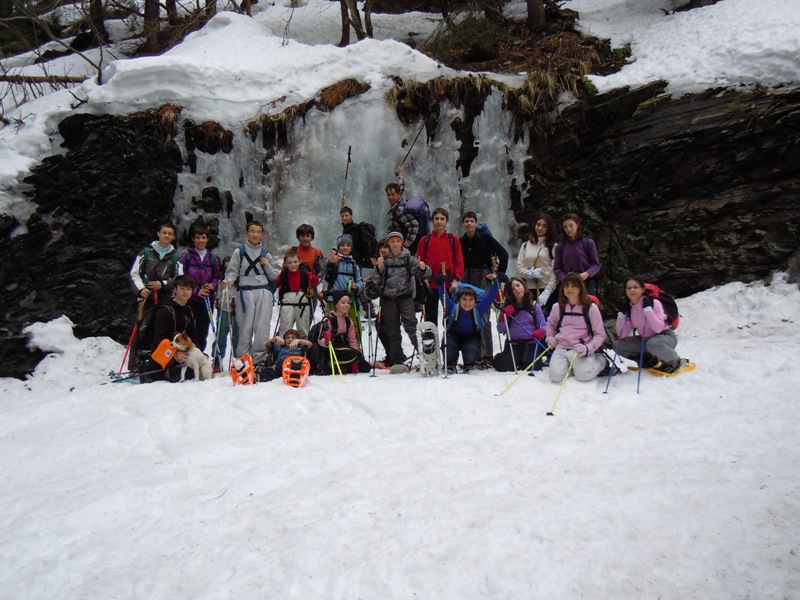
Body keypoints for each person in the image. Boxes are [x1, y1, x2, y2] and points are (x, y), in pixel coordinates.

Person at [371, 231, 432, 372]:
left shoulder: (408, 259)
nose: (395, 244)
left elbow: (426, 273)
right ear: (388, 244)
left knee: (411, 327)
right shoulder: (384, 259)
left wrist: (424, 267)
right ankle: (397, 359)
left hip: (405, 298)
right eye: (392, 241)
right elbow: (375, 280)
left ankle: (424, 356)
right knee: (392, 330)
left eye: (398, 241)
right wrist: (379, 267)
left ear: (402, 242)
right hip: (388, 299)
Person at [220, 221, 279, 363]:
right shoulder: (239, 252)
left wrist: (266, 265)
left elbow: (274, 277)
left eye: (258, 232)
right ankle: (243, 358)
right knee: (244, 326)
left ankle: (259, 359)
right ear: (246, 233)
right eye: (252, 231)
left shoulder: (266, 254)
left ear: (262, 234)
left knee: (262, 326)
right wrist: (227, 281)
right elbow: (232, 271)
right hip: (245, 293)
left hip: (263, 292)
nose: (255, 234)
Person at [128, 222, 183, 371]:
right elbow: (134, 274)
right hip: (146, 298)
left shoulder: (175, 257)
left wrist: (163, 284)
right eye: (164, 232)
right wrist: (141, 290)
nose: (166, 235)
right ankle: (134, 366)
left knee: (162, 330)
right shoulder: (146, 253)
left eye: (170, 233)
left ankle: (160, 363)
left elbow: (179, 279)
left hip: (165, 299)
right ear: (158, 233)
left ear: (173, 237)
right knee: (140, 329)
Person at [460, 211, 509, 367]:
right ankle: (472, 354)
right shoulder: (461, 241)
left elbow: (504, 253)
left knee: (484, 314)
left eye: (471, 221)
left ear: (476, 223)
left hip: (483, 274)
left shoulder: (485, 238)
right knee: (467, 313)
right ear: (463, 224)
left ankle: (487, 354)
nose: (469, 224)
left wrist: (499, 274)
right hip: (467, 275)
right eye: (466, 221)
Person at [545, 273, 607, 383]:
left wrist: (588, 348)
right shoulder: (557, 307)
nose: (569, 289)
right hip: (562, 347)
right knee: (555, 377)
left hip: (581, 349)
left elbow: (600, 334)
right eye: (566, 286)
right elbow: (551, 326)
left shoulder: (590, 308)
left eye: (573, 286)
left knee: (583, 376)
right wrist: (550, 337)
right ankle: (573, 366)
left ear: (581, 288)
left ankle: (601, 361)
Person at [139, 275, 198, 383]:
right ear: (175, 289)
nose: (185, 292)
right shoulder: (165, 310)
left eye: (189, 289)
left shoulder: (189, 310)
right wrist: (175, 354)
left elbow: (192, 336)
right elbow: (158, 338)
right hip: (161, 351)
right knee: (176, 375)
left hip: (180, 350)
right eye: (182, 288)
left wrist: (198, 353)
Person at [614, 277, 681, 372]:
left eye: (635, 287)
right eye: (628, 288)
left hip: (665, 337)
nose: (632, 290)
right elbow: (621, 334)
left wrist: (648, 310)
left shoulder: (654, 303)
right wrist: (621, 316)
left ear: (642, 289)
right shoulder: (630, 308)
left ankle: (674, 361)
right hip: (645, 340)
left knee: (652, 344)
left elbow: (658, 328)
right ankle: (649, 361)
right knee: (618, 345)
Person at [444, 276, 504, 374]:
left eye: (471, 299)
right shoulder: (453, 308)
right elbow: (444, 298)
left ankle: (469, 364)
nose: (467, 303)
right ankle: (450, 364)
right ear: (459, 300)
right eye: (464, 299)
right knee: (450, 346)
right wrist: (440, 284)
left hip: (471, 337)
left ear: (475, 301)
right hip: (454, 336)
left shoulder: (478, 309)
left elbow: (490, 297)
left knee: (471, 349)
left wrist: (498, 281)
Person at [416, 207, 464, 325]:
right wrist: (424, 279)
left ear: (446, 221)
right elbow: (419, 261)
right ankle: (431, 341)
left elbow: (459, 263)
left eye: (442, 219)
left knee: (450, 317)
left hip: (449, 285)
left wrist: (457, 279)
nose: (439, 221)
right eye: (436, 219)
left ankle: (449, 341)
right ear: (432, 221)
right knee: (430, 317)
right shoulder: (425, 240)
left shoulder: (454, 239)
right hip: (430, 284)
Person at [179, 224, 221, 354]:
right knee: (187, 328)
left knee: (203, 329)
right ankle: (185, 356)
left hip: (206, 299)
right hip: (189, 298)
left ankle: (199, 354)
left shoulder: (213, 259)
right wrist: (196, 290)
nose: (201, 240)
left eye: (203, 237)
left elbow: (216, 277)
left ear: (207, 239)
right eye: (198, 237)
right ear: (193, 239)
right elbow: (181, 278)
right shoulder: (185, 257)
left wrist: (212, 286)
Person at [494, 277, 547, 372]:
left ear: (523, 286)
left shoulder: (534, 306)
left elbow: (544, 325)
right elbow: (500, 330)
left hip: (531, 343)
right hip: (513, 344)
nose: (517, 289)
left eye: (518, 285)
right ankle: (501, 357)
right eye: (512, 289)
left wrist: (541, 331)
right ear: (510, 294)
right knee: (506, 368)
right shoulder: (508, 308)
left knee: (533, 368)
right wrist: (502, 317)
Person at [323, 234, 364, 349]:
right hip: (333, 300)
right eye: (342, 245)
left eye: (347, 245)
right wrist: (331, 262)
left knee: (354, 328)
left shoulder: (354, 265)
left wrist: (357, 286)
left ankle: (355, 353)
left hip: (350, 301)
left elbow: (361, 281)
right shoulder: (334, 260)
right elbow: (325, 268)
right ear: (338, 247)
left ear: (351, 248)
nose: (345, 248)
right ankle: (329, 353)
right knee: (329, 326)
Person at [316, 290, 371, 374]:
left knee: (366, 367)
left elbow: (352, 340)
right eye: (343, 303)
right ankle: (333, 365)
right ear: (336, 305)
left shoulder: (349, 321)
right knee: (357, 355)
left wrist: (355, 357)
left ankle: (345, 365)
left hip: (344, 349)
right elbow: (320, 340)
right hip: (331, 350)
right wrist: (326, 340)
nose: (346, 305)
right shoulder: (328, 320)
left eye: (348, 303)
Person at [552, 213, 601, 297]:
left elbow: (596, 264)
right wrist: (565, 279)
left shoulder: (588, 243)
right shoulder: (560, 247)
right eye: (565, 227)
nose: (568, 229)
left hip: (586, 283)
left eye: (571, 225)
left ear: (577, 225)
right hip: (568, 286)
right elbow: (557, 268)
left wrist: (586, 274)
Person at [516, 214, 558, 309]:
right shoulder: (525, 245)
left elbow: (555, 270)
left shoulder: (553, 246)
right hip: (530, 289)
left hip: (548, 289)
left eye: (544, 226)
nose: (540, 228)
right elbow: (519, 267)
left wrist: (548, 290)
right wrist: (529, 273)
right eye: (538, 224)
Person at [276, 250, 320, 339]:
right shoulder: (284, 274)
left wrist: (310, 288)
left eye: (295, 262)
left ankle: (303, 349)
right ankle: (283, 349)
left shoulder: (304, 273)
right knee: (285, 327)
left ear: (299, 262)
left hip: (302, 302)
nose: (293, 265)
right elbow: (277, 283)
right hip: (288, 302)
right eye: (290, 263)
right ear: (285, 264)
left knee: (303, 328)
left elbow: (316, 280)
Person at [385, 166, 422, 255]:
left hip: (402, 246)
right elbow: (402, 188)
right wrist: (400, 175)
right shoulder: (402, 199)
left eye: (393, 195)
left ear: (398, 195)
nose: (390, 197)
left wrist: (406, 244)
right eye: (388, 195)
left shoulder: (399, 209)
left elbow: (414, 225)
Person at [216, 256, 239, 367]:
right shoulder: (220, 280)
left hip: (237, 310)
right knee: (221, 334)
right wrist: (217, 300)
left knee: (238, 335)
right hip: (224, 310)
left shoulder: (240, 280)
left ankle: (238, 358)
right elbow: (217, 294)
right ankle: (217, 358)